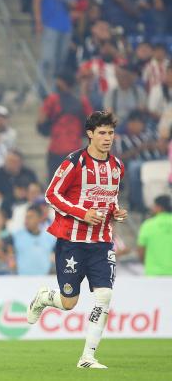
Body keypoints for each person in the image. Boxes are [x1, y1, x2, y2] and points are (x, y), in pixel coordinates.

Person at [27, 111, 127, 369]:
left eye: (111, 133)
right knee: (69, 302)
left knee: (104, 296)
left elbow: (110, 196)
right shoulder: (74, 163)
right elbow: (51, 195)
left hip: (102, 242)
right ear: (90, 134)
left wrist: (115, 211)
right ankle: (45, 298)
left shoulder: (116, 166)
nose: (107, 138)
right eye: (102, 133)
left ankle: (87, 357)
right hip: (72, 242)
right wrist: (83, 213)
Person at [137, 195, 172, 275]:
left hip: (153, 274)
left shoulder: (148, 225)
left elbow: (141, 250)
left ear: (159, 207)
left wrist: (147, 264)